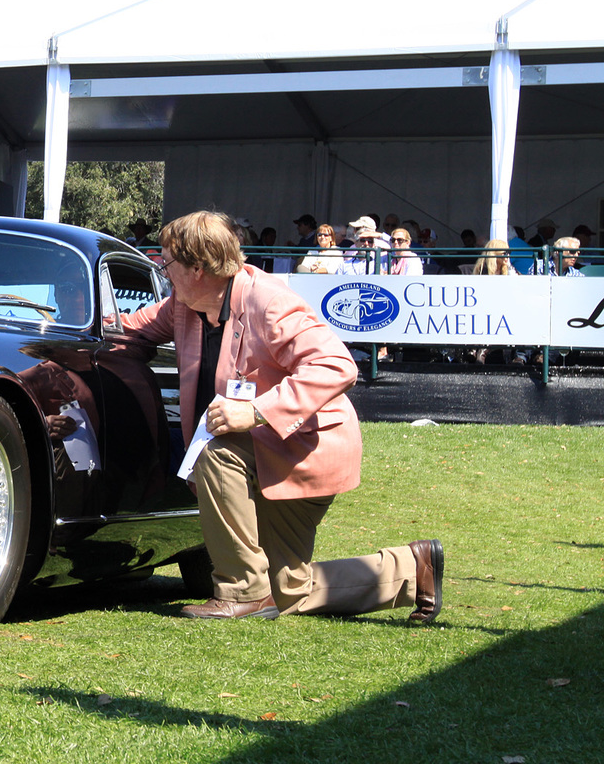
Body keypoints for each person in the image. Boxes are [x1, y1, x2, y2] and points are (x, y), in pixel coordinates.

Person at [117, 210, 443, 622]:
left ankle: (242, 590)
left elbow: (336, 365)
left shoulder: (268, 302)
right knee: (288, 591)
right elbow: (126, 329)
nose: (163, 272)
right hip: (265, 455)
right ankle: (414, 569)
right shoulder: (185, 305)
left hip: (303, 453)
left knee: (216, 452)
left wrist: (253, 411)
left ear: (197, 268)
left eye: (167, 263)